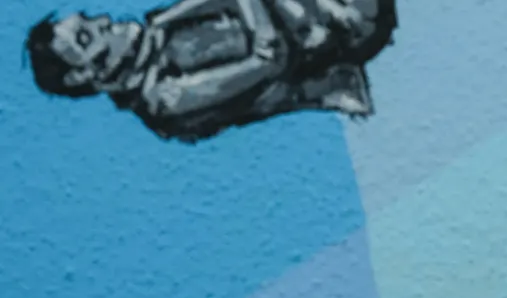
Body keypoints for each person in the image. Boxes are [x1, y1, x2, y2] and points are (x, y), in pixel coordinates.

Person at [24, 0, 396, 142]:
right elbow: (269, 59)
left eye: (90, 19)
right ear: (86, 74)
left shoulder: (154, 30)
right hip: (339, 26)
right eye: (89, 35)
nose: (105, 21)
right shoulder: (165, 97)